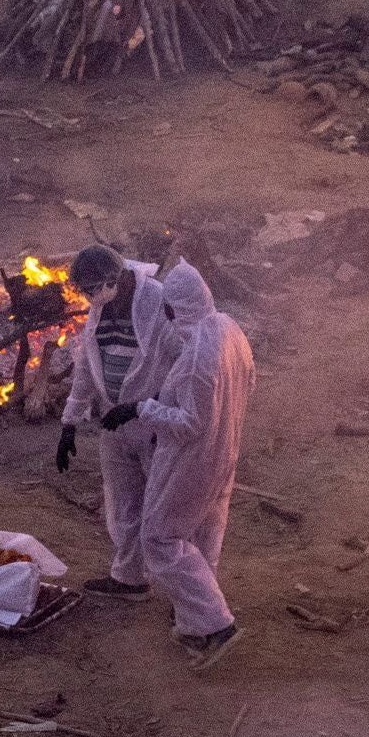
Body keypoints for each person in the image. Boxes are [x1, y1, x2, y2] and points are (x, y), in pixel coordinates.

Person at [141, 261, 254, 668]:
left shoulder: (195, 357)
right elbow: (248, 382)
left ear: (173, 309)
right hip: (226, 450)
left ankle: (217, 625)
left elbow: (189, 424)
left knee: (160, 537)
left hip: (193, 460)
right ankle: (194, 624)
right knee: (205, 533)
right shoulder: (229, 328)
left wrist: (144, 409)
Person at [57, 243, 180, 596]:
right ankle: (129, 578)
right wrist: (70, 423)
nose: (93, 297)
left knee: (167, 509)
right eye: (87, 291)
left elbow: (183, 363)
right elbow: (86, 364)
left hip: (155, 422)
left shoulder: (158, 301)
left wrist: (160, 410)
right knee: (124, 501)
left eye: (96, 289)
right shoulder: (102, 307)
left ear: (118, 278)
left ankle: (186, 593)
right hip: (114, 421)